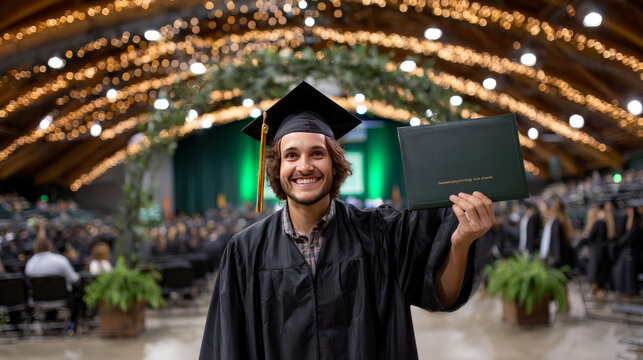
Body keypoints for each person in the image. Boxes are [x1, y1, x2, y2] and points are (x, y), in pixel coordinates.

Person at [199, 81, 495, 360]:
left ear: (334, 164)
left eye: (317, 153)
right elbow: (226, 345)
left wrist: (460, 242)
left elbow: (442, 293)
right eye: (291, 155)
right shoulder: (245, 252)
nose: (304, 166)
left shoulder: (379, 233)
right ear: (276, 169)